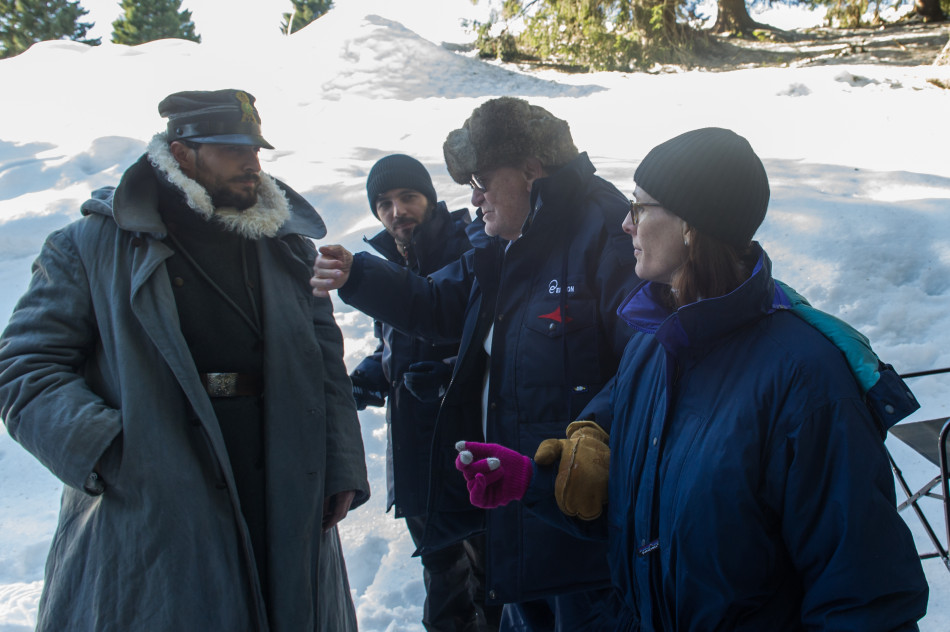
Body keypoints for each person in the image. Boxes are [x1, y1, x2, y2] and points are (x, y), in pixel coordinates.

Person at [454, 127, 930, 631]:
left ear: (690, 225)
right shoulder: (651, 347)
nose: (624, 224)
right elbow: (640, 509)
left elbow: (862, 594)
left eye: (639, 208)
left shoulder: (807, 380)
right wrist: (534, 479)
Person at [0, 89, 370, 631]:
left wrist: (338, 462)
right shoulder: (89, 246)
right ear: (181, 154)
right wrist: (113, 451)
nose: (252, 164)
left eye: (255, 150)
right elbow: (25, 368)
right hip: (155, 497)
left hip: (282, 483)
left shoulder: (283, 245)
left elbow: (324, 361)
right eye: (231, 149)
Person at [312, 96, 639, 630]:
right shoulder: (504, 244)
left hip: (584, 540)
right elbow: (436, 304)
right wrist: (359, 276)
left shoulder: (605, 232)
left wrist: (596, 431)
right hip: (518, 516)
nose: (474, 196)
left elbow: (646, 360)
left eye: (483, 178)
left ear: (531, 170)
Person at [349, 153, 497, 632]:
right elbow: (392, 341)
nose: (397, 211)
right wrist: (375, 370)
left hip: (467, 442)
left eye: (407, 197)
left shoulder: (470, 248)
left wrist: (449, 370)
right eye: (384, 203)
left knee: (489, 576)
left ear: (430, 199)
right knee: (441, 574)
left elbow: (497, 337)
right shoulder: (390, 261)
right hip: (415, 445)